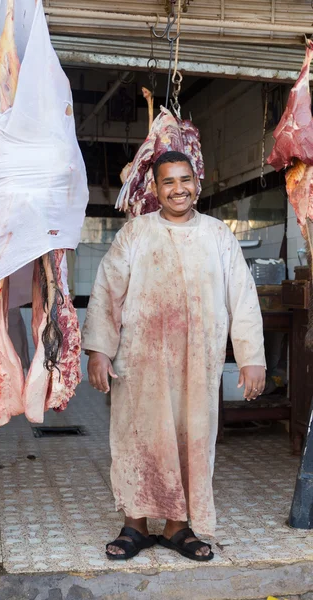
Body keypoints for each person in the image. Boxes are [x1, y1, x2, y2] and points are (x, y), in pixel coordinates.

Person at [82, 151, 266, 562]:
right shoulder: (135, 233)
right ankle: (134, 525)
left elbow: (242, 297)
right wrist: (99, 351)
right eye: (168, 182)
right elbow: (107, 292)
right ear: (156, 188)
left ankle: (178, 528)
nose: (178, 189)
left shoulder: (218, 235)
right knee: (137, 439)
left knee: (191, 442)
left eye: (185, 180)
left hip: (197, 364)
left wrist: (252, 357)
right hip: (141, 361)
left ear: (197, 184)